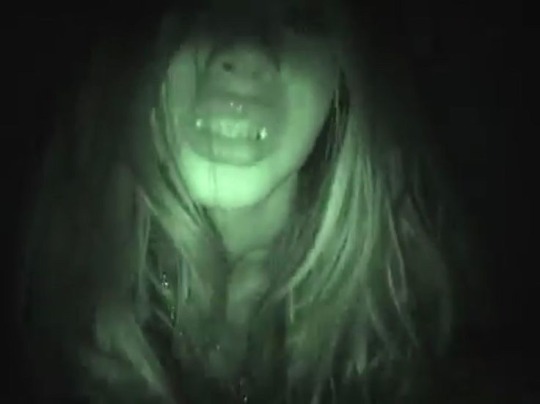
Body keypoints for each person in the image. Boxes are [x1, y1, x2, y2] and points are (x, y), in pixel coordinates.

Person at [22, 0, 456, 402]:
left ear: (347, 74)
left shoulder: (423, 339)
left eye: (300, 15)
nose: (247, 51)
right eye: (200, 4)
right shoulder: (44, 319)